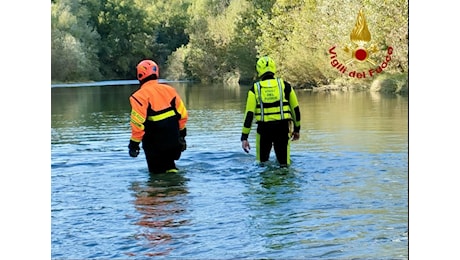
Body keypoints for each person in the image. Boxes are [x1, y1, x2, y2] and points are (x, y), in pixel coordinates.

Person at [128, 59, 188, 174]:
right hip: (174, 143)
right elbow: (183, 115)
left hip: (155, 146)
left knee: (157, 177)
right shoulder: (170, 90)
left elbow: (137, 124)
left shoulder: (138, 97)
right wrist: (182, 136)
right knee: (170, 167)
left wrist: (133, 145)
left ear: (140, 75)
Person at [240, 56, 301, 167]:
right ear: (274, 68)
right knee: (284, 165)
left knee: (261, 164)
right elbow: (295, 109)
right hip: (282, 129)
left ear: (258, 70)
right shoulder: (285, 86)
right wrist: (297, 129)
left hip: (264, 130)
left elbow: (249, 115)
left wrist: (244, 137)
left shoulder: (255, 89)